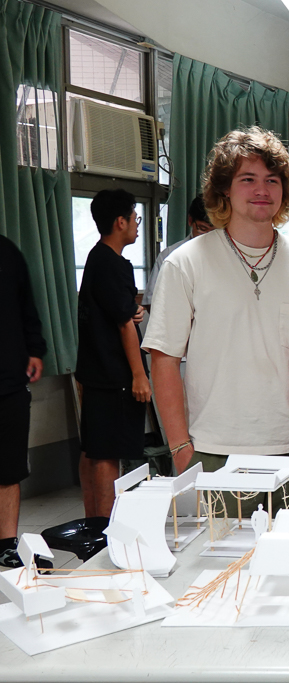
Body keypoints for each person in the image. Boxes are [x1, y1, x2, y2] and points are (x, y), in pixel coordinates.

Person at [144, 127, 289, 514]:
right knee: (221, 554)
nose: (262, 190)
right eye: (248, 179)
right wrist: (180, 446)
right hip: (214, 451)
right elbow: (164, 359)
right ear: (224, 188)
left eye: (272, 180)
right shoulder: (186, 263)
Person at [76, 189, 150, 518]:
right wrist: (139, 376)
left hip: (97, 372)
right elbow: (124, 325)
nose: (136, 225)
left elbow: (122, 311)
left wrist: (133, 310)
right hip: (113, 375)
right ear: (120, 221)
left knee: (94, 450)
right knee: (106, 454)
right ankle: (104, 528)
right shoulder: (110, 263)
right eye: (135, 218)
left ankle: (94, 521)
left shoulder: (99, 258)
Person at [0, 236, 47, 567]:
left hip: (9, 379)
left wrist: (35, 349)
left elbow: (27, 306)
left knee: (9, 466)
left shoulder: (7, 252)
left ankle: (6, 542)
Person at [141, 195, 214, 311]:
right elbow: (151, 301)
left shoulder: (227, 256)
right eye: (202, 229)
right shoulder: (169, 255)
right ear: (190, 220)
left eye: (214, 232)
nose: (208, 237)